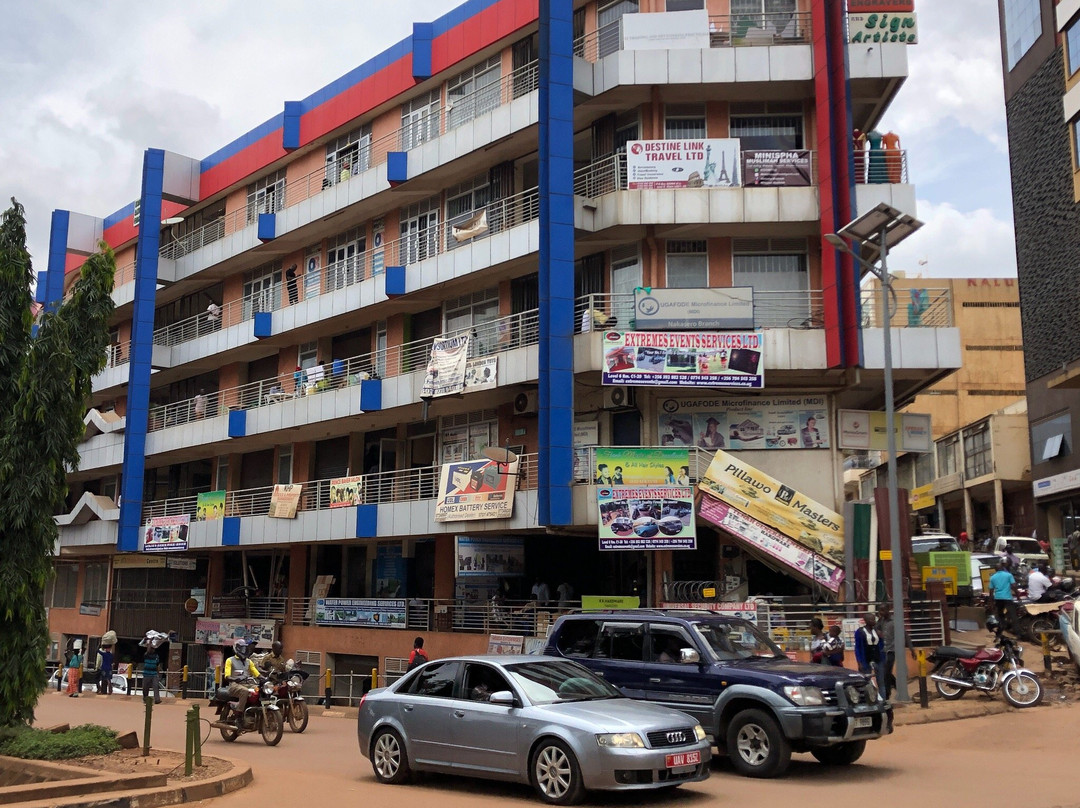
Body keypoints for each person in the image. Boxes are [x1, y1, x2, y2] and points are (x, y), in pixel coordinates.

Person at [224, 639, 261, 718]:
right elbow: (227, 675)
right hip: (234, 684)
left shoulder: (249, 661)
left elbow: (256, 673)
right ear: (236, 648)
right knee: (244, 691)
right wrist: (233, 679)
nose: (243, 650)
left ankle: (255, 711)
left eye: (244, 648)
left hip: (247, 683)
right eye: (241, 648)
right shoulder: (230, 660)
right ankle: (239, 714)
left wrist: (265, 678)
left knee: (260, 690)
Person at [988, 560, 1017, 630]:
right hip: (1007, 598)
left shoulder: (992, 577)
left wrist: (991, 602)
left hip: (998, 598)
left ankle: (1001, 629)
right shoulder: (1008, 575)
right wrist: (1018, 595)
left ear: (995, 569)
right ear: (1003, 568)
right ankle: (1017, 631)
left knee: (1000, 614)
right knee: (1013, 615)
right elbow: (1014, 586)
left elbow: (991, 591)